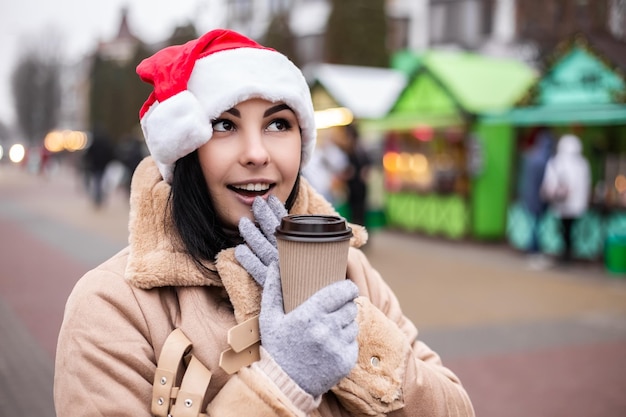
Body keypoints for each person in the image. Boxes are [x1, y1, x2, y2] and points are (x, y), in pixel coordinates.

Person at [54, 29, 474, 416]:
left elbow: (456, 407)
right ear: (185, 150)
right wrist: (284, 382)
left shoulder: (349, 270)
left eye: (278, 123)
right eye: (224, 125)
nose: (256, 153)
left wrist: (341, 325)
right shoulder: (111, 304)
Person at [541, 133, 591, 264]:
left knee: (565, 229)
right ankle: (567, 253)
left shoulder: (557, 162)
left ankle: (566, 253)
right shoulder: (583, 164)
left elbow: (550, 182)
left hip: (563, 204)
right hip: (572, 205)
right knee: (567, 229)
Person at [519, 127, 554, 269]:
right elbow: (545, 183)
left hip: (529, 197)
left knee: (534, 226)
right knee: (536, 228)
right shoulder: (544, 160)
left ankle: (534, 252)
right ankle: (534, 253)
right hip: (538, 199)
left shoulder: (530, 157)